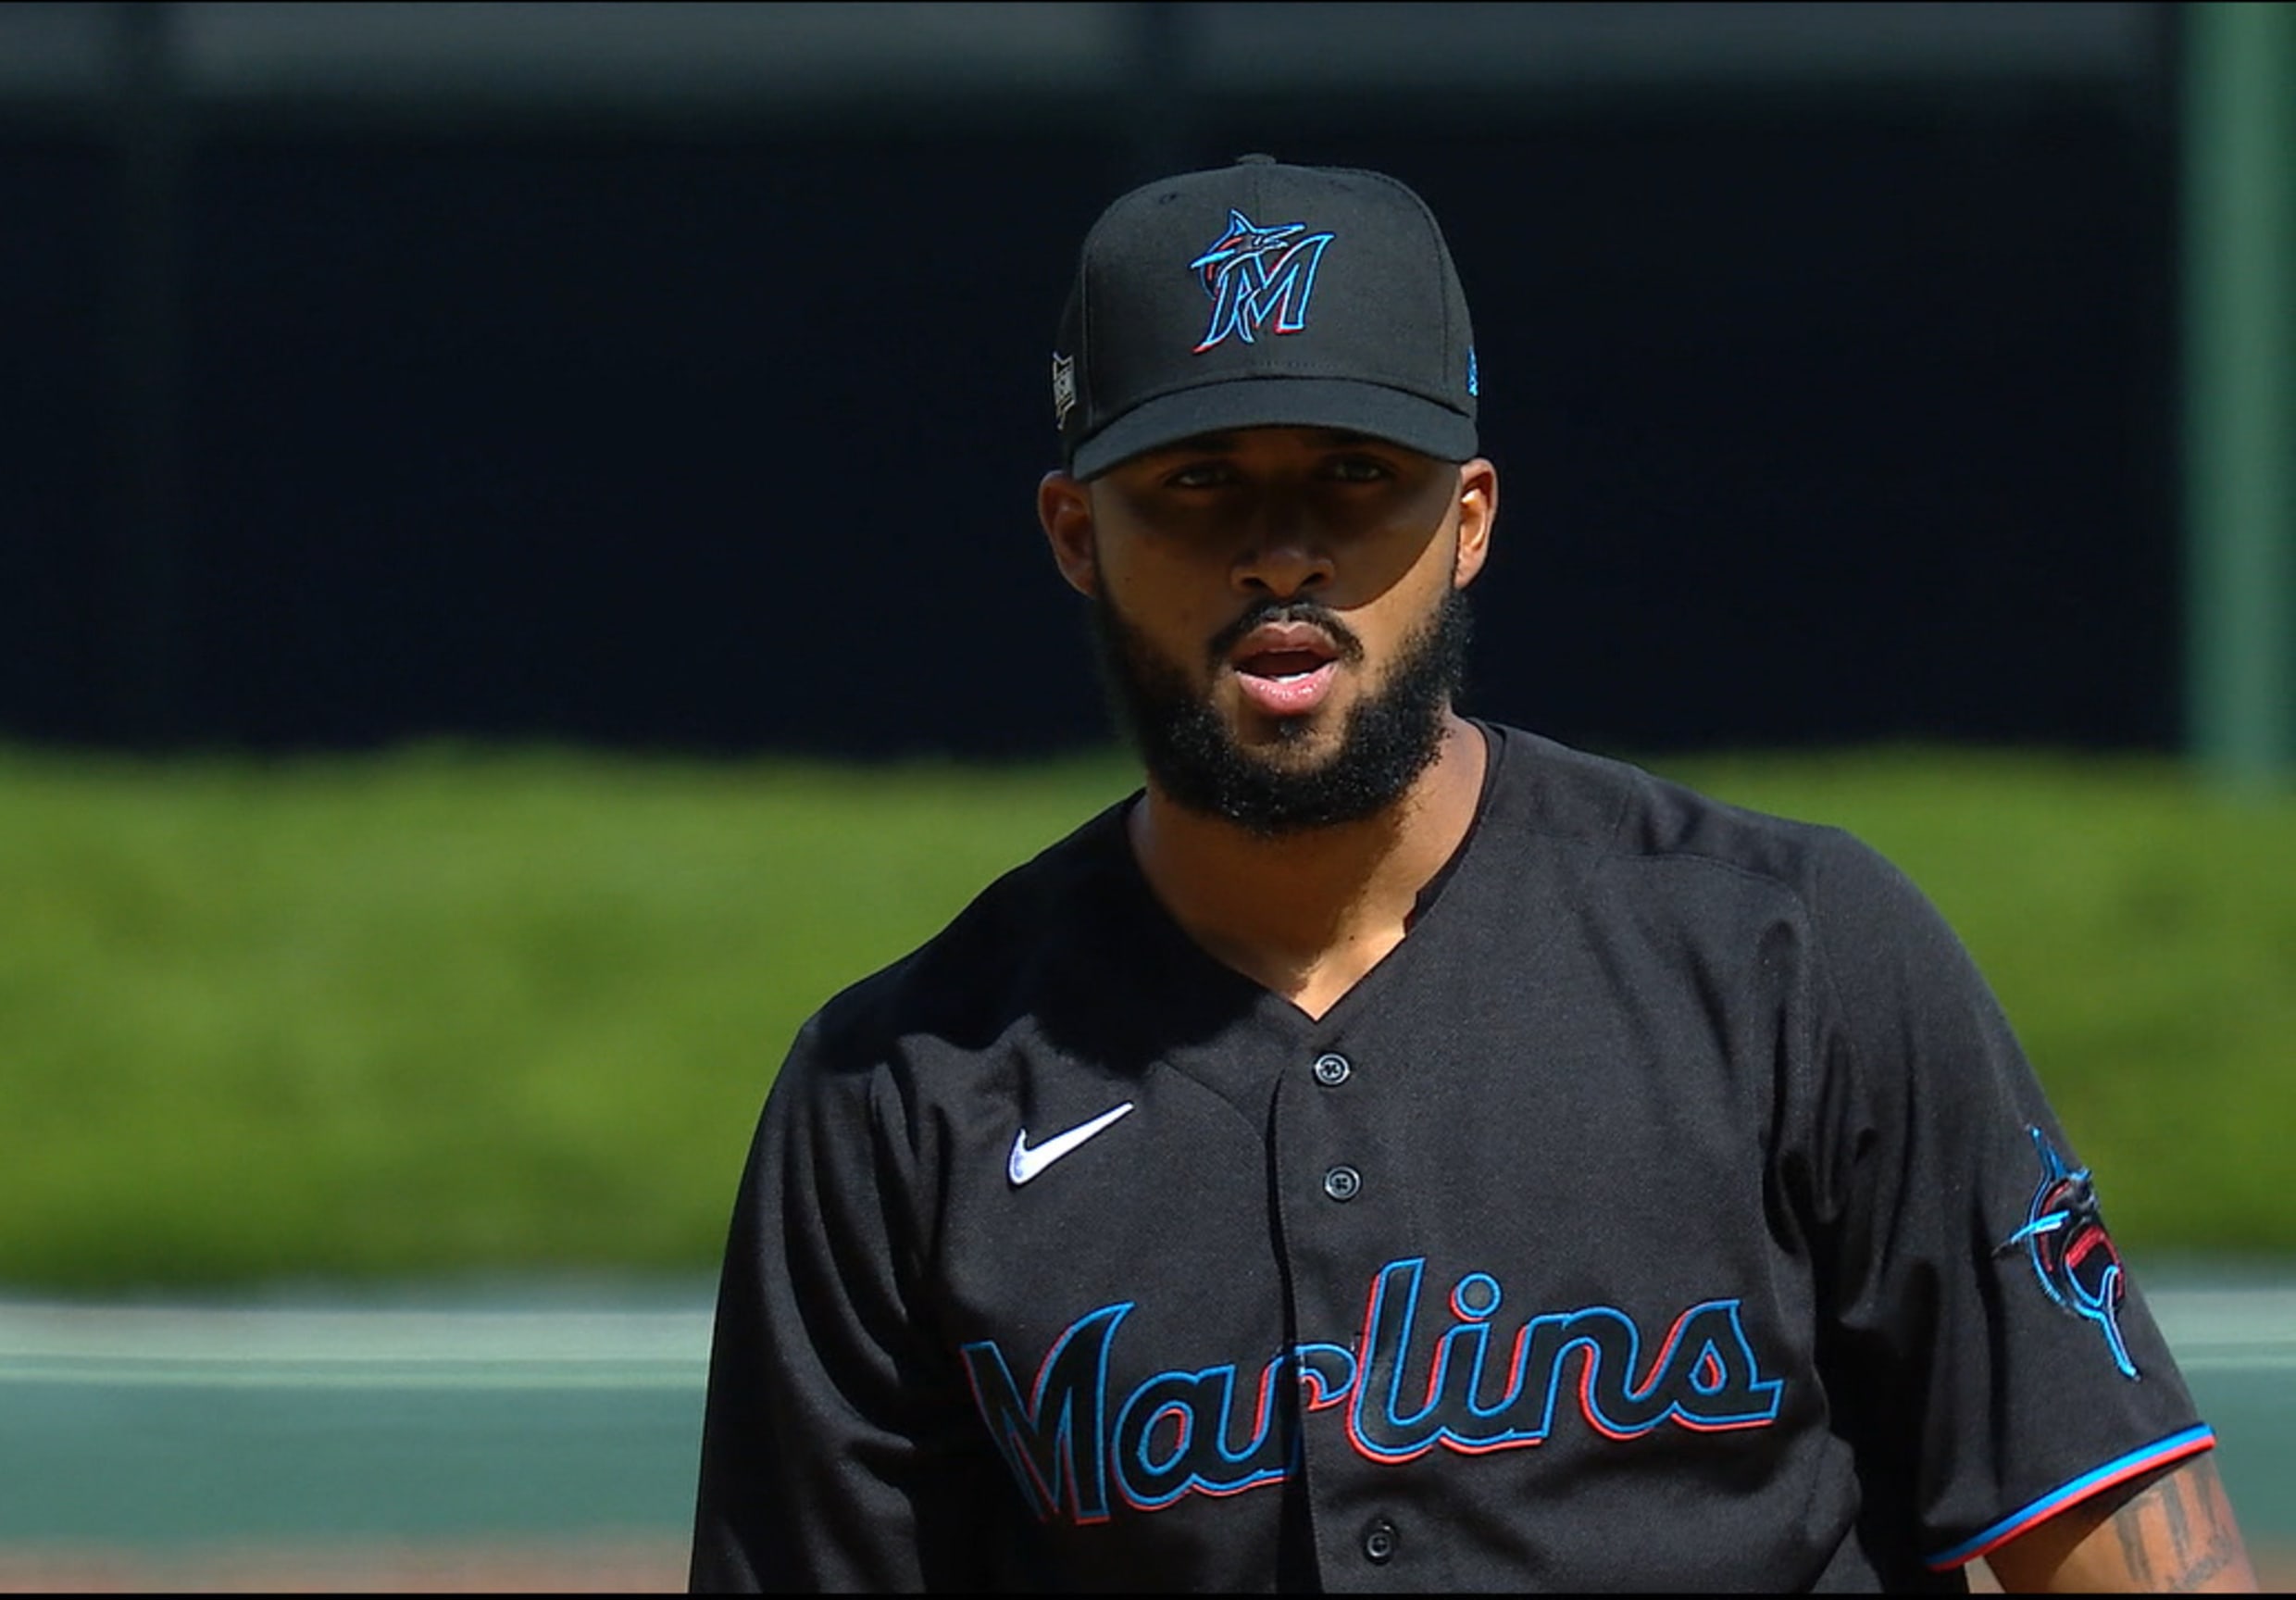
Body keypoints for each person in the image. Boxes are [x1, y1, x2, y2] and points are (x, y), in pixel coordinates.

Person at [685, 156, 2256, 1592]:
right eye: (1198, 481)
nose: (1282, 551)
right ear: (1074, 533)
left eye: (1359, 477)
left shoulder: (1792, 960)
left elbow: (2122, 1544)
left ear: (1472, 520)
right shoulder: (898, 1101)